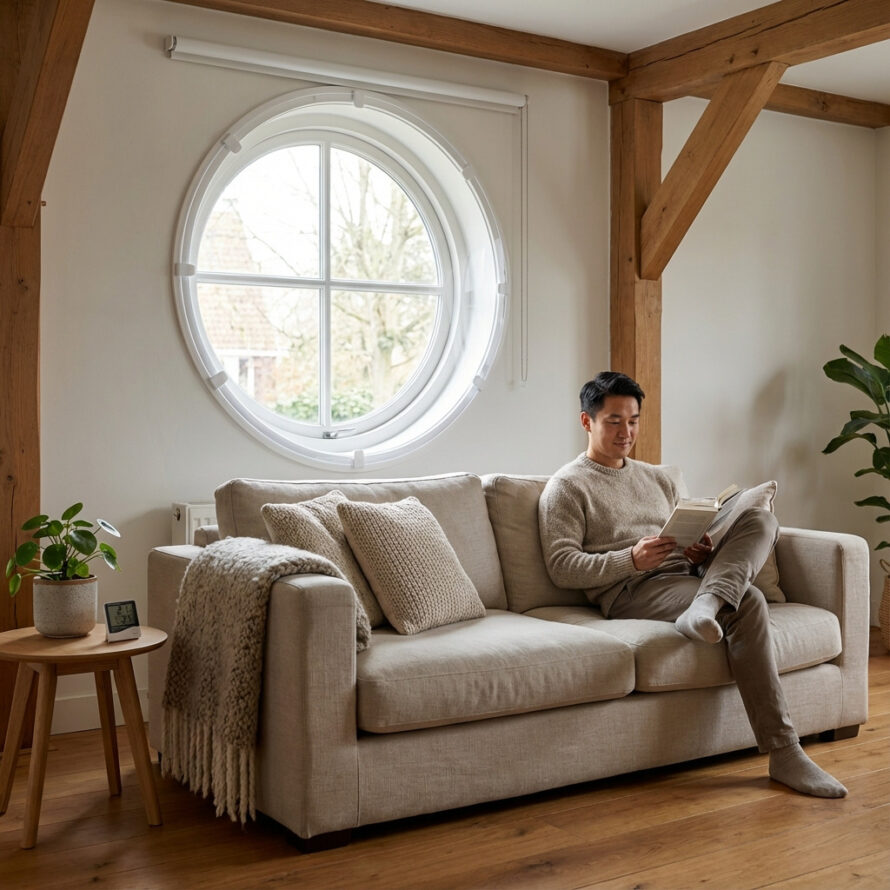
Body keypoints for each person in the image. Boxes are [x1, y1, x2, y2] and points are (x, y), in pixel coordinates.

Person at [538, 370, 847, 798]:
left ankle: (706, 602)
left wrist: (696, 551)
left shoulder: (659, 477)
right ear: (587, 422)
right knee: (749, 601)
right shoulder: (566, 487)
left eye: (633, 420)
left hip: (686, 576)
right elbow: (562, 566)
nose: (626, 431)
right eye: (613, 421)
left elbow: (679, 537)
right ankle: (785, 751)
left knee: (761, 519)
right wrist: (630, 558)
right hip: (633, 589)